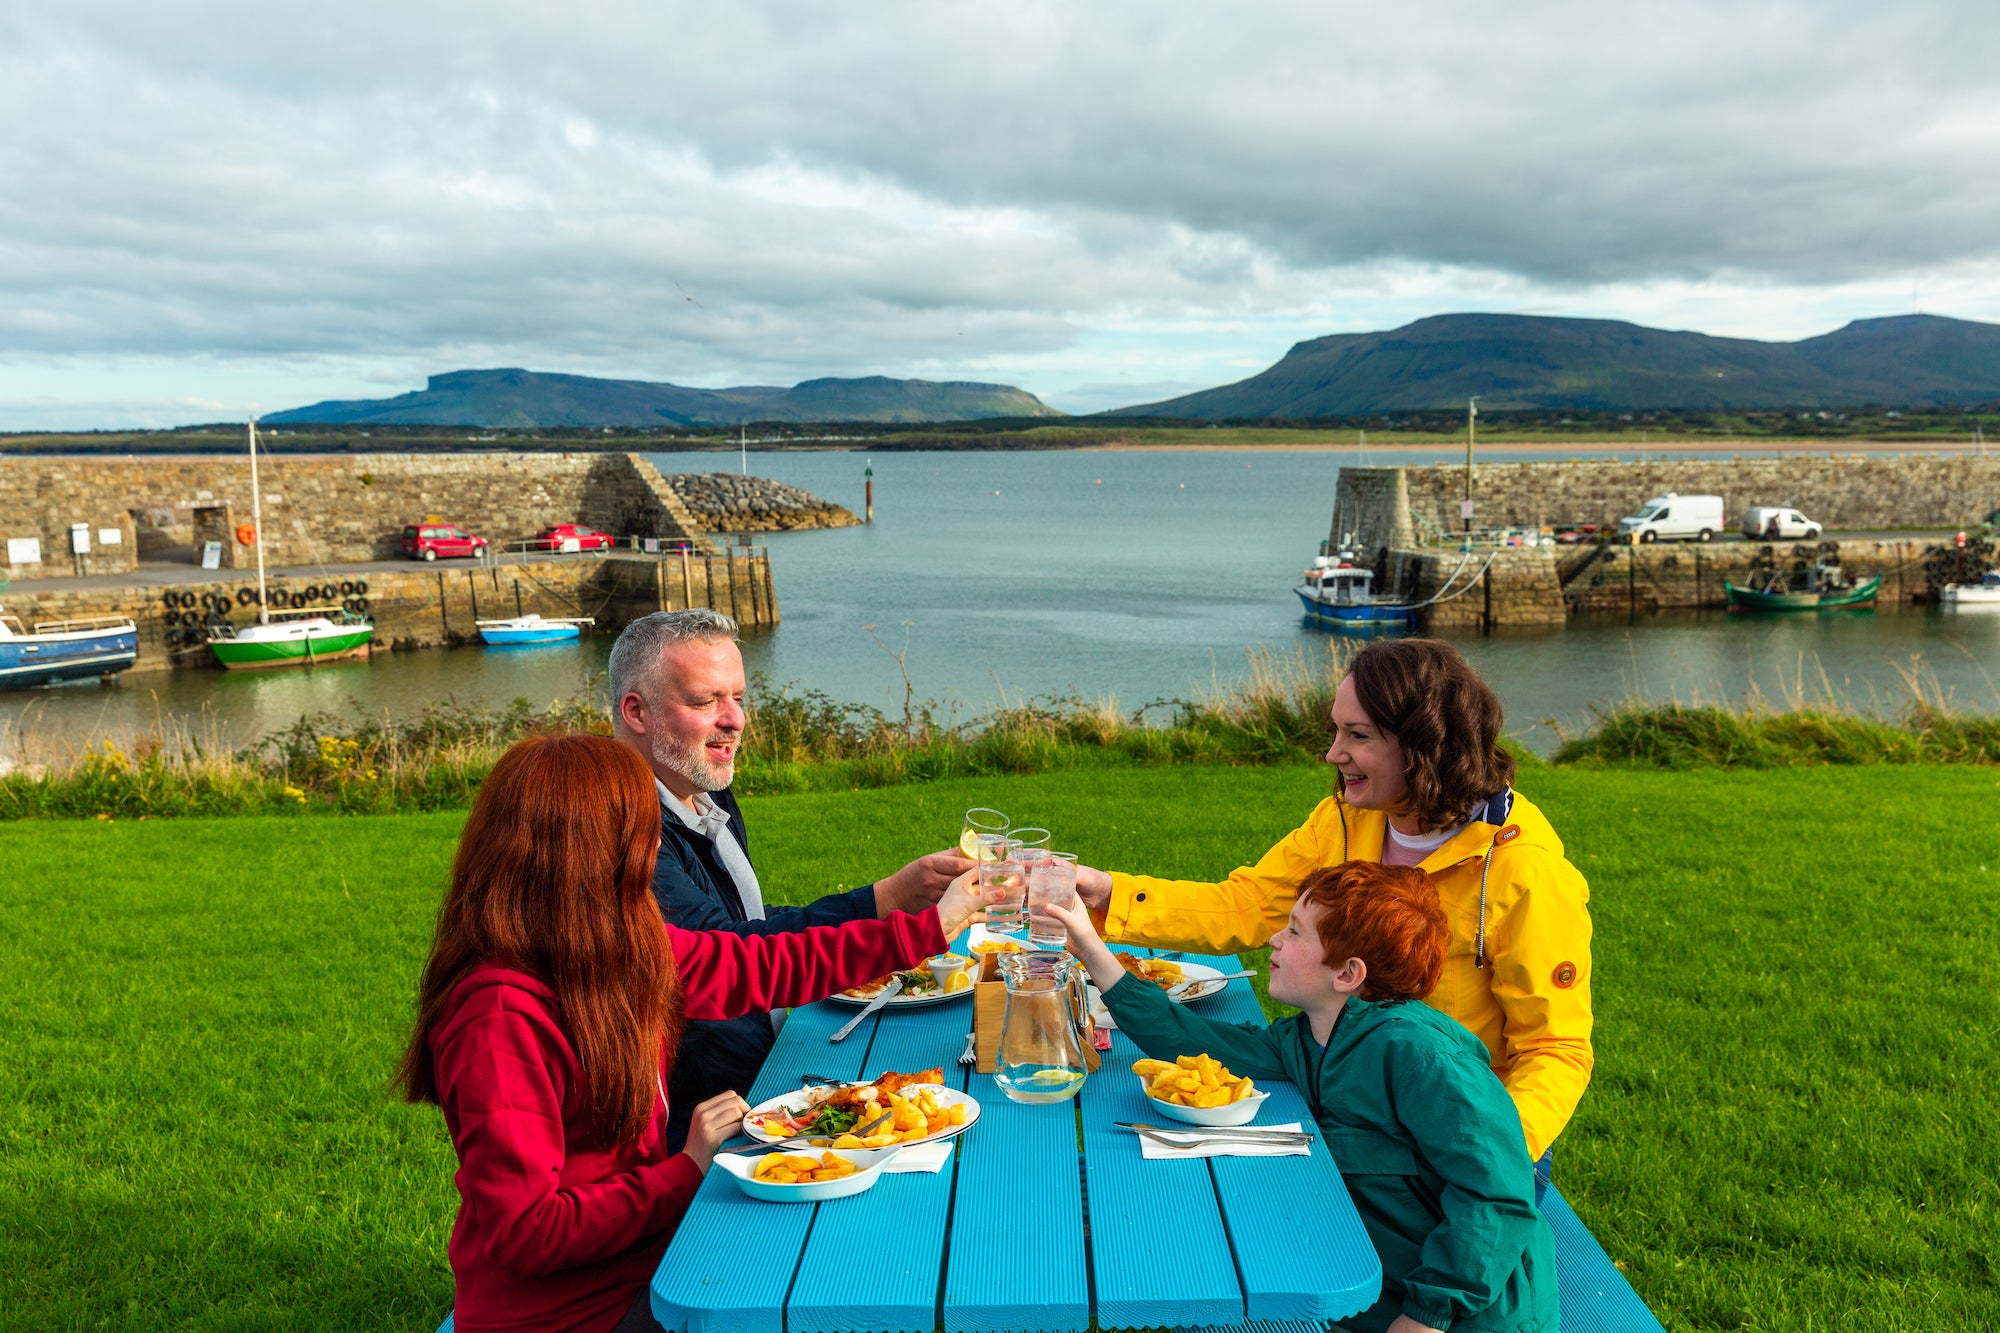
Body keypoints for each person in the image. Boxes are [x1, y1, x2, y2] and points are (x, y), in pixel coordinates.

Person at [397, 732, 996, 1333]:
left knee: (860, 1256)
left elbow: (764, 965)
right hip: (572, 1314)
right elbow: (528, 1233)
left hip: (649, 1257)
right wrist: (686, 1168)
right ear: (584, 854)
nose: (656, 846)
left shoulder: (617, 946)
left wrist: (928, 926)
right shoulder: (499, 1020)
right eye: (642, 831)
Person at [1075, 638, 1591, 1174]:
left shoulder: (1526, 873)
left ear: (1427, 744)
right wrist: (1107, 892)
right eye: (1336, 730)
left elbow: (1554, 1050)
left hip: (1462, 1144)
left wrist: (1487, 1157)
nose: (1333, 753)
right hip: (1348, 1105)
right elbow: (1247, 905)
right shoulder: (1343, 819)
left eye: (1358, 735)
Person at [1045, 864, 1556, 1333]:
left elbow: (1496, 1193)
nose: (1274, 938)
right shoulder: (1312, 1037)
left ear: (1347, 974)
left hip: (1467, 1315)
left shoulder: (1420, 1056)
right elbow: (1193, 1041)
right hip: (1372, 1279)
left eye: (1294, 931)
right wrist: (1088, 943)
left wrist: (1427, 1315)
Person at [608, 609, 973, 1149]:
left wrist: (887, 897)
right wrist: (915, 928)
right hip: (710, 1119)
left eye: (738, 697)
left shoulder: (701, 792)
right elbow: (727, 955)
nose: (735, 719)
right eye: (706, 701)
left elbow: (747, 923)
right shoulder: (624, 833)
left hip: (773, 1056)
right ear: (636, 711)